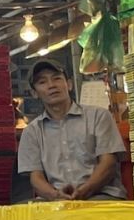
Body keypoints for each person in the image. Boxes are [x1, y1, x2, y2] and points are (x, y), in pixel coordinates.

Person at [18, 60, 126, 201]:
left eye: (57, 78)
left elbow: (108, 164)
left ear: (69, 84)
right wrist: (56, 195)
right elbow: (36, 178)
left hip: (101, 195)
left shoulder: (99, 116)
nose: (51, 85)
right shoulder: (31, 132)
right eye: (42, 82)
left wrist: (83, 191)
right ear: (34, 93)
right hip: (55, 200)